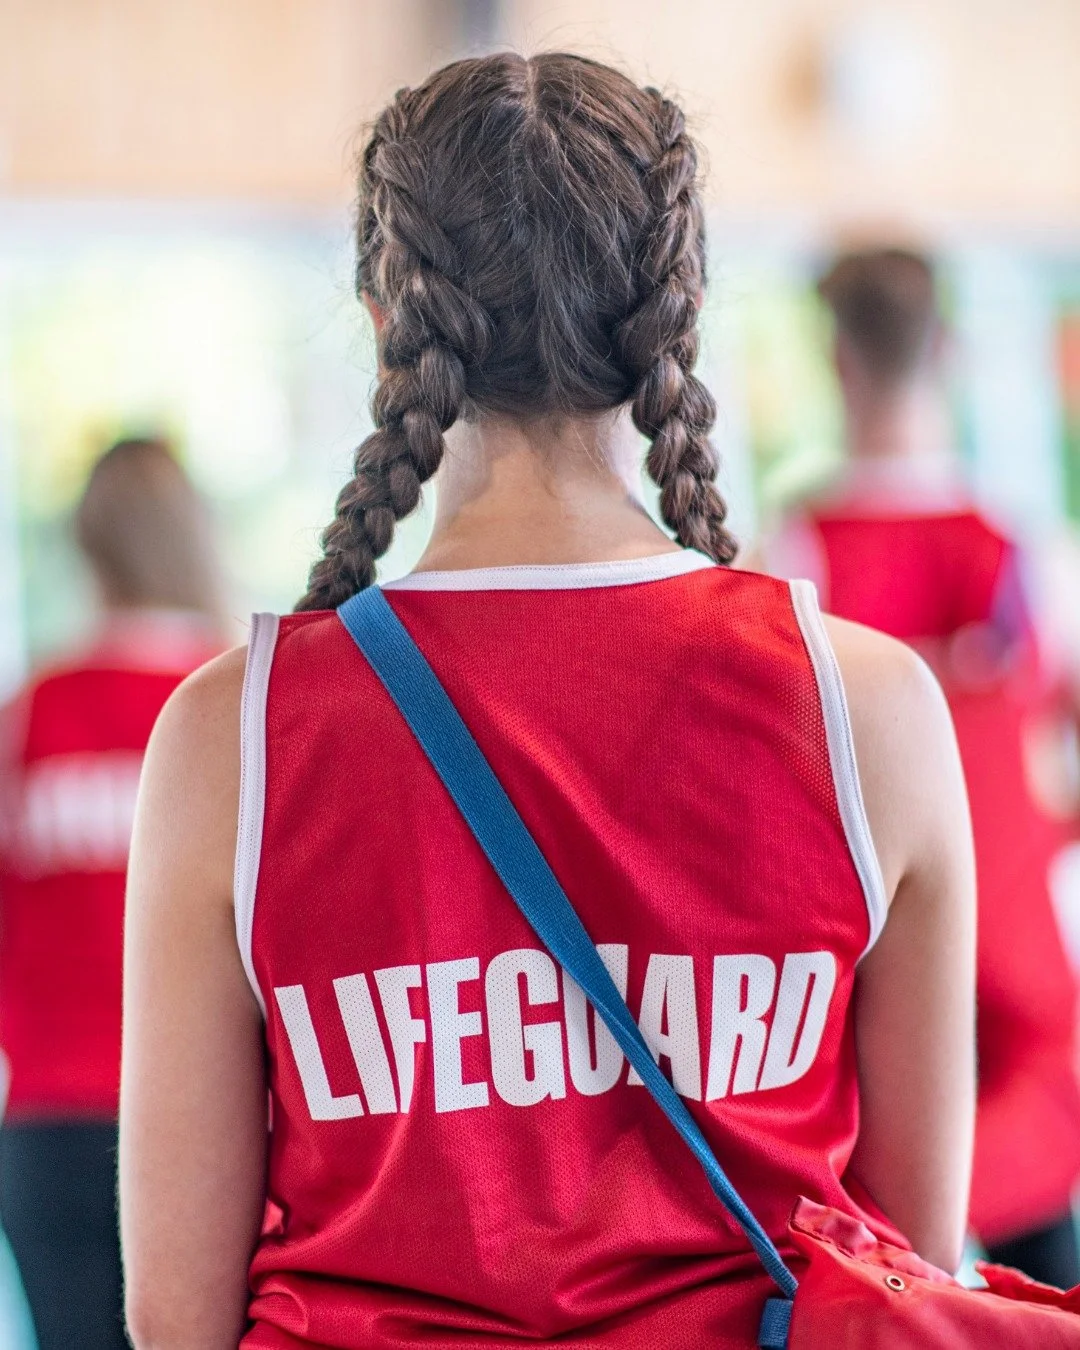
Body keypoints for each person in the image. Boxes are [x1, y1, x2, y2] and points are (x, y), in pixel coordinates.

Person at [119, 55, 976, 1350]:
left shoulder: (229, 736)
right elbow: (904, 1266)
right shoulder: (873, 710)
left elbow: (175, 1316)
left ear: (384, 324)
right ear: (674, 314)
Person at [764, 247, 1080, 1288]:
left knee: (882, 1262)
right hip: (1014, 943)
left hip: (864, 944)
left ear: (836, 360)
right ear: (942, 349)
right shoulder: (1015, 547)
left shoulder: (792, 559)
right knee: (1040, 1267)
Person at [0, 438, 223, 1350]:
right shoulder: (232, 706)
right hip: (211, 1132)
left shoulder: (27, 719)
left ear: (86, 547)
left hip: (48, 1129)